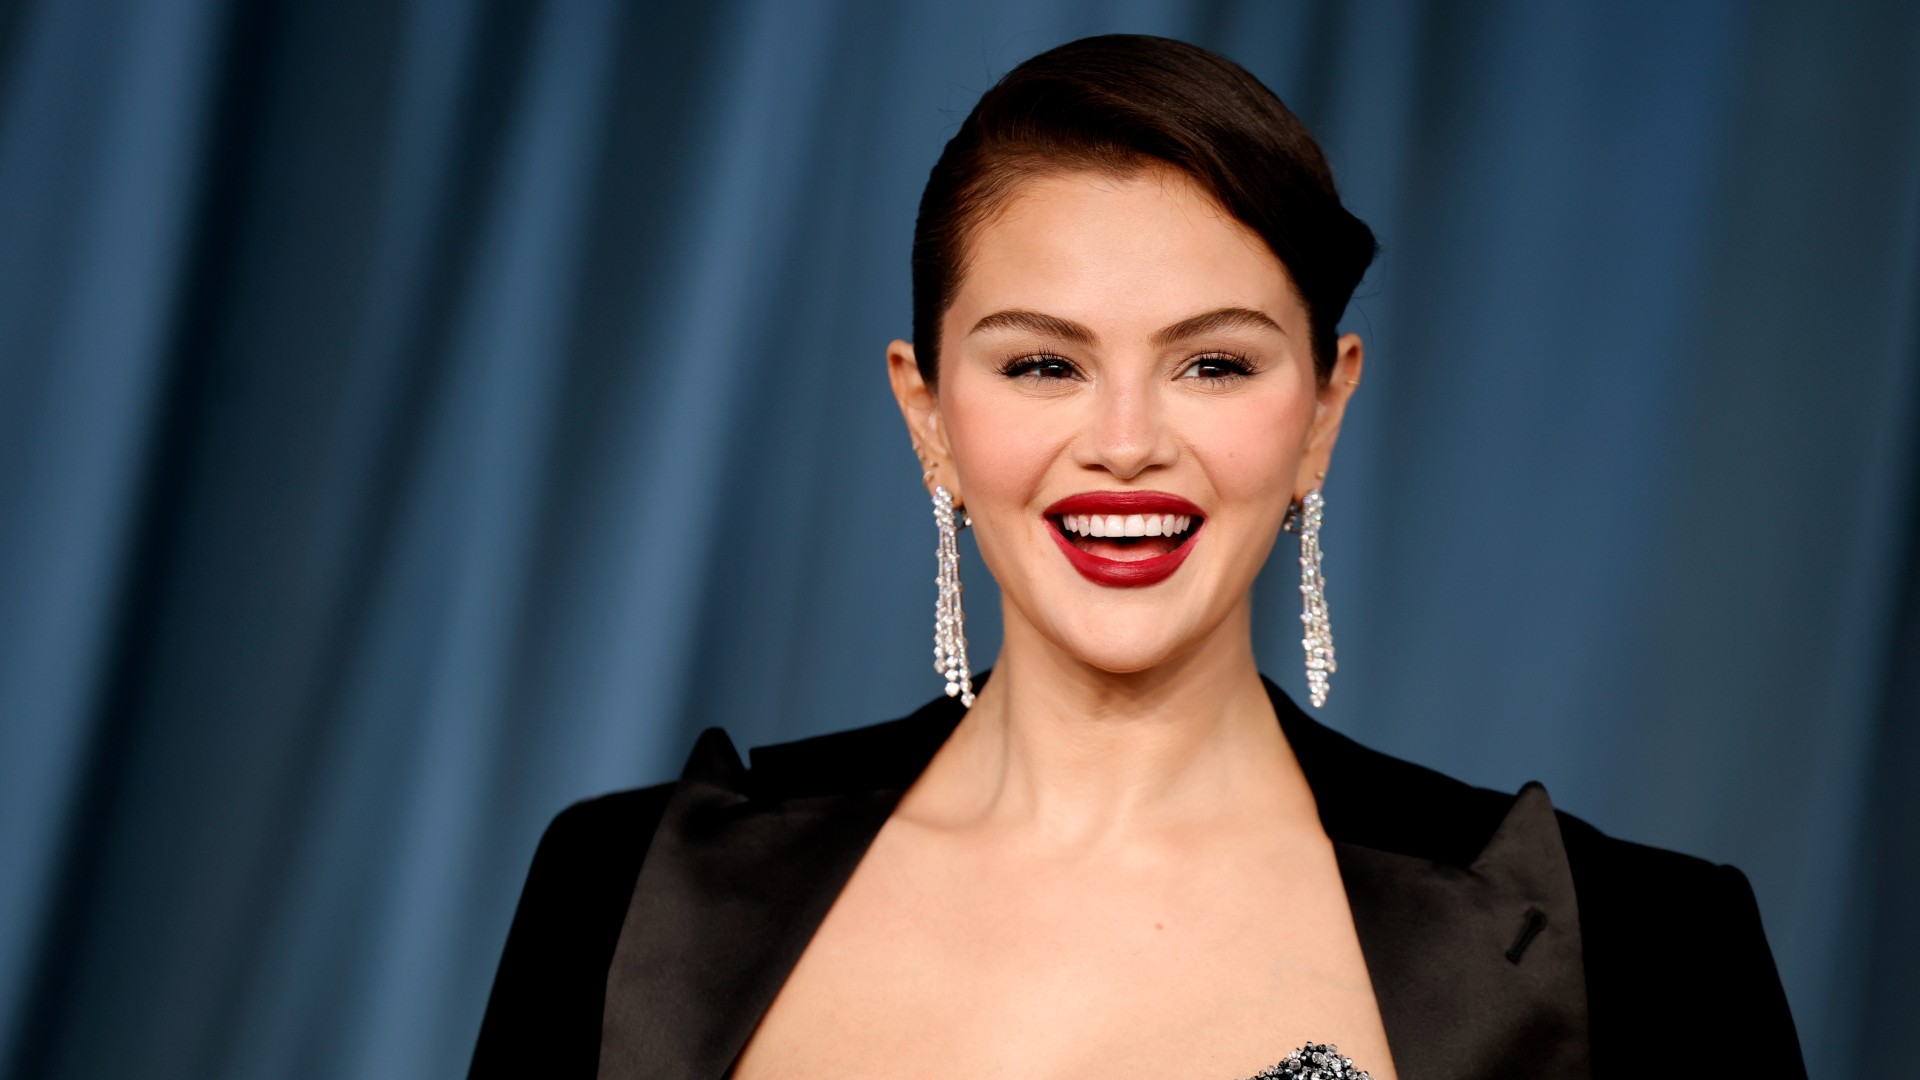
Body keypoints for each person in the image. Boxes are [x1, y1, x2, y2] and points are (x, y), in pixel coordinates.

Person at [469, 34, 1804, 1080]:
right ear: (925, 411)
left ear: (1324, 411)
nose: (1123, 444)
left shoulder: (1643, 953)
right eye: (1042, 363)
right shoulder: (627, 892)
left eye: (1212, 363)